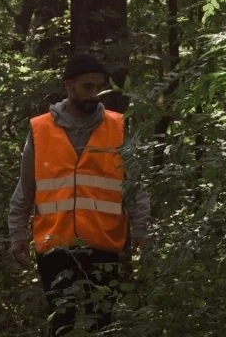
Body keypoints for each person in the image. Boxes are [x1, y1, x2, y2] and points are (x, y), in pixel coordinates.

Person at [8, 53, 149, 335]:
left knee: (103, 324)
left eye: (99, 87)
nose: (95, 94)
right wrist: (17, 234)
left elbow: (135, 186)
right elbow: (25, 187)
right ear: (69, 85)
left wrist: (142, 231)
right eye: (87, 87)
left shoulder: (118, 126)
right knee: (62, 324)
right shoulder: (40, 129)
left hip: (104, 242)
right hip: (54, 244)